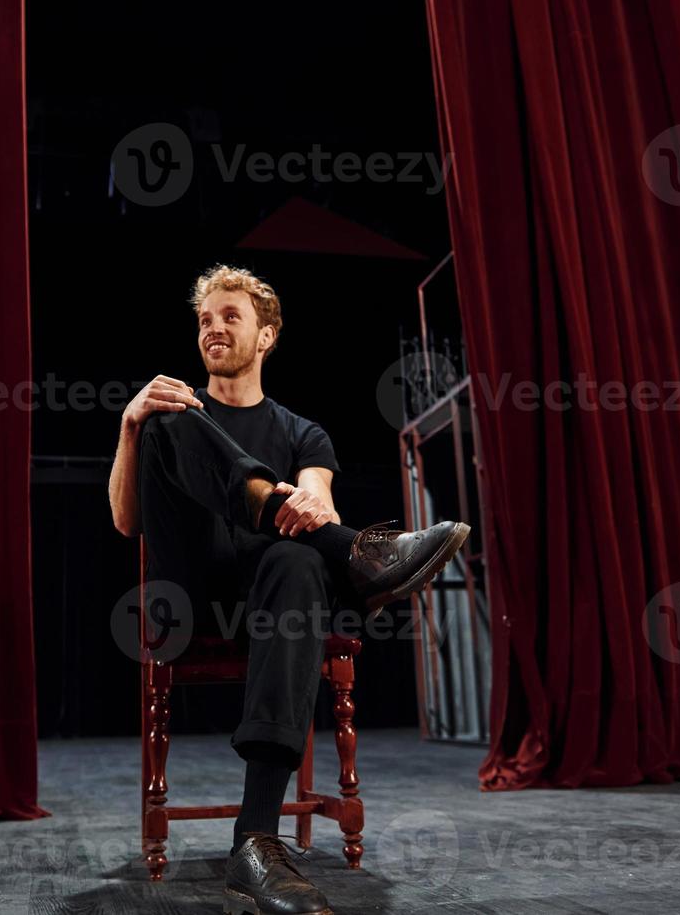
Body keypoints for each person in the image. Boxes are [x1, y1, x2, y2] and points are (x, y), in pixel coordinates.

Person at [108, 264, 469, 915]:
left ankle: (255, 842)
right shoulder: (175, 412)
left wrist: (308, 512)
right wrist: (131, 426)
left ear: (267, 335)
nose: (212, 327)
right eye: (204, 319)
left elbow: (317, 507)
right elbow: (128, 521)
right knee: (168, 409)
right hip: (191, 590)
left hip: (270, 597)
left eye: (229, 316)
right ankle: (365, 554)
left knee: (300, 561)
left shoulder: (304, 433)